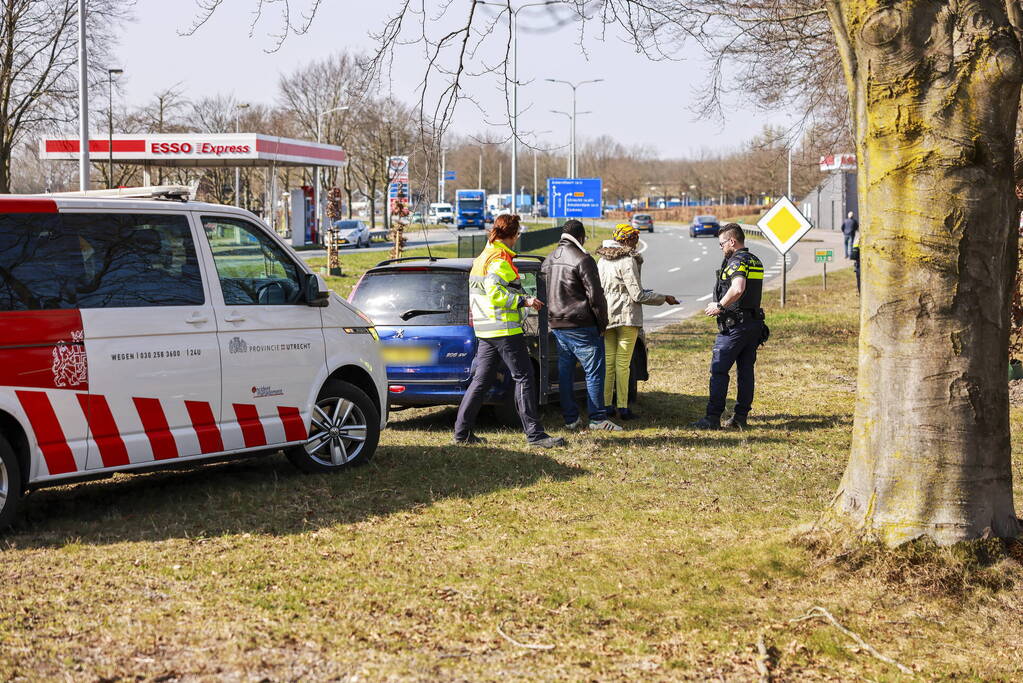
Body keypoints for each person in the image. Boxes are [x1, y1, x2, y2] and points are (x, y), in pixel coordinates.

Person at [453, 214, 566, 449]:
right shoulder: (499, 259)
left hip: (485, 329)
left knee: (481, 381)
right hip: (504, 328)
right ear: (513, 235)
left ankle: (462, 433)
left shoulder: (482, 257)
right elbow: (495, 293)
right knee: (524, 377)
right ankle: (535, 435)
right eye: (518, 233)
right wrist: (524, 301)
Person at [541, 219, 622, 431]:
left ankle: (571, 419)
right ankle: (597, 418)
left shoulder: (548, 260)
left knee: (565, 373)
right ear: (581, 237)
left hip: (557, 324)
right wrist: (602, 323)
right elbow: (596, 296)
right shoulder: (583, 259)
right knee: (594, 371)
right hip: (581, 323)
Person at [596, 223, 679, 419]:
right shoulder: (627, 260)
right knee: (623, 364)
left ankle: (606, 406)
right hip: (627, 316)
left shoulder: (602, 260)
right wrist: (663, 298)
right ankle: (623, 407)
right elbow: (637, 295)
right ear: (627, 240)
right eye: (634, 240)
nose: (636, 244)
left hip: (607, 316)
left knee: (609, 363)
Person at [692, 223, 766, 430]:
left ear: (732, 241)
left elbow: (738, 288)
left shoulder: (737, 261)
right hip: (753, 324)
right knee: (745, 372)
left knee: (719, 370)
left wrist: (719, 305)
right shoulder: (755, 260)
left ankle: (712, 418)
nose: (721, 247)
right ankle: (740, 417)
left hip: (735, 327)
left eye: (722, 244)